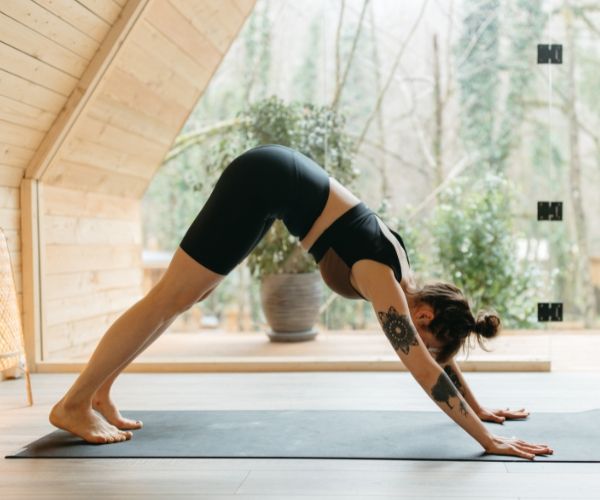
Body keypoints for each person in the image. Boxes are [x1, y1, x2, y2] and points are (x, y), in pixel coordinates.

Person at [49, 144, 553, 459]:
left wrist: (479, 409)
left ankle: (100, 393)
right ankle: (74, 403)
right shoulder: (382, 275)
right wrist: (485, 443)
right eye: (426, 336)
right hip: (263, 181)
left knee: (185, 295)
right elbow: (424, 369)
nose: (418, 343)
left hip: (272, 181)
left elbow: (434, 359)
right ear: (423, 315)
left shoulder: (408, 280)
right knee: (169, 298)